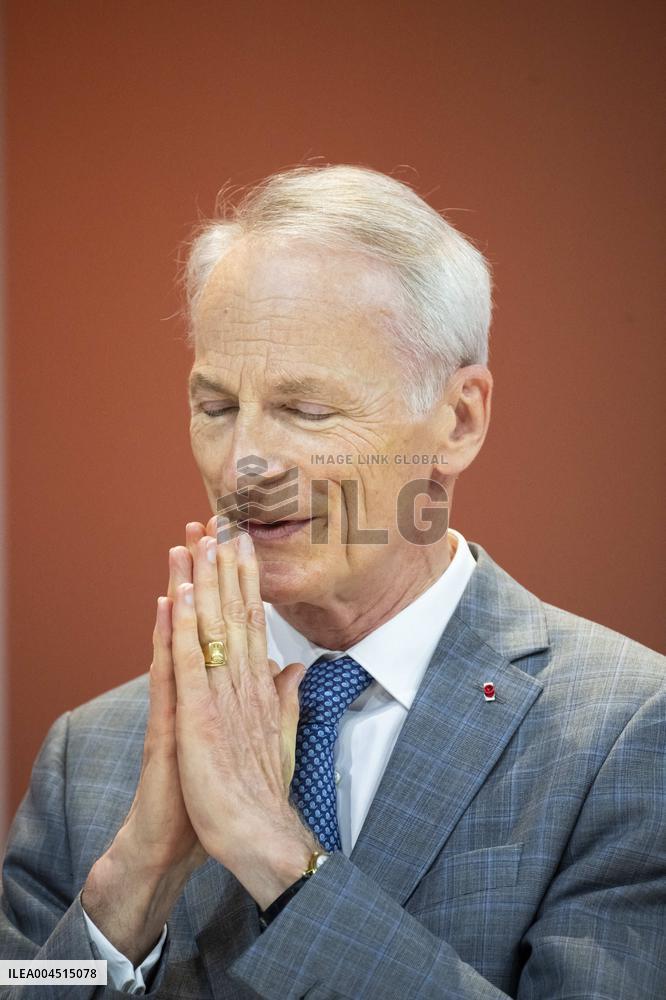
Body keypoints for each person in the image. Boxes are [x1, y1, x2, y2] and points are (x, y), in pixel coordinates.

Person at [1, 164, 664, 1000]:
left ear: (459, 419)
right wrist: (126, 890)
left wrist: (276, 854)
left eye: (307, 411)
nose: (244, 464)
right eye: (216, 407)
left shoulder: (625, 734)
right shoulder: (90, 752)